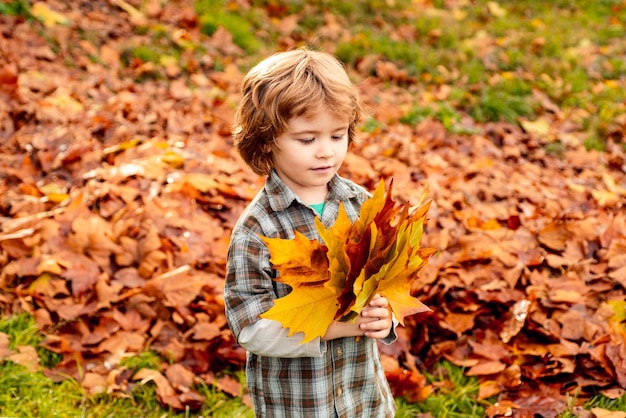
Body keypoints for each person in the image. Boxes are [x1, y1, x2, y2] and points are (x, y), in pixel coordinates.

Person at [224, 48, 397, 417]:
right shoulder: (259, 228)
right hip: (299, 403)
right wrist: (331, 328)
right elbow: (250, 328)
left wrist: (386, 316)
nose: (326, 153)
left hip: (361, 396)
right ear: (267, 139)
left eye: (337, 136)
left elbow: (384, 283)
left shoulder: (360, 205)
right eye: (307, 140)